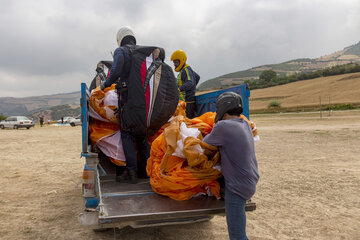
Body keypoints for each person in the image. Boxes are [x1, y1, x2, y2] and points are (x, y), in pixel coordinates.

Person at [202, 92, 259, 240]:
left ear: (223, 108)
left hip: (237, 187)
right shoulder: (245, 124)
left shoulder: (223, 126)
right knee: (239, 219)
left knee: (237, 235)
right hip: (249, 181)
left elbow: (203, 145)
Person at [101, 26, 149, 184]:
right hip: (144, 101)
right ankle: (146, 170)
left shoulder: (121, 51)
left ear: (120, 39)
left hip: (127, 99)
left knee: (127, 134)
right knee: (141, 135)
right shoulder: (142, 52)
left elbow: (115, 71)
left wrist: (105, 84)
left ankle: (131, 172)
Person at [170, 50, 200, 119]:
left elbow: (190, 83)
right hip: (186, 102)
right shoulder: (185, 70)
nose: (174, 64)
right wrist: (192, 89)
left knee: (188, 122)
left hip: (188, 102)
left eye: (176, 62)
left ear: (182, 60)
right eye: (174, 62)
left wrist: (179, 89)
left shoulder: (185, 70)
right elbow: (197, 77)